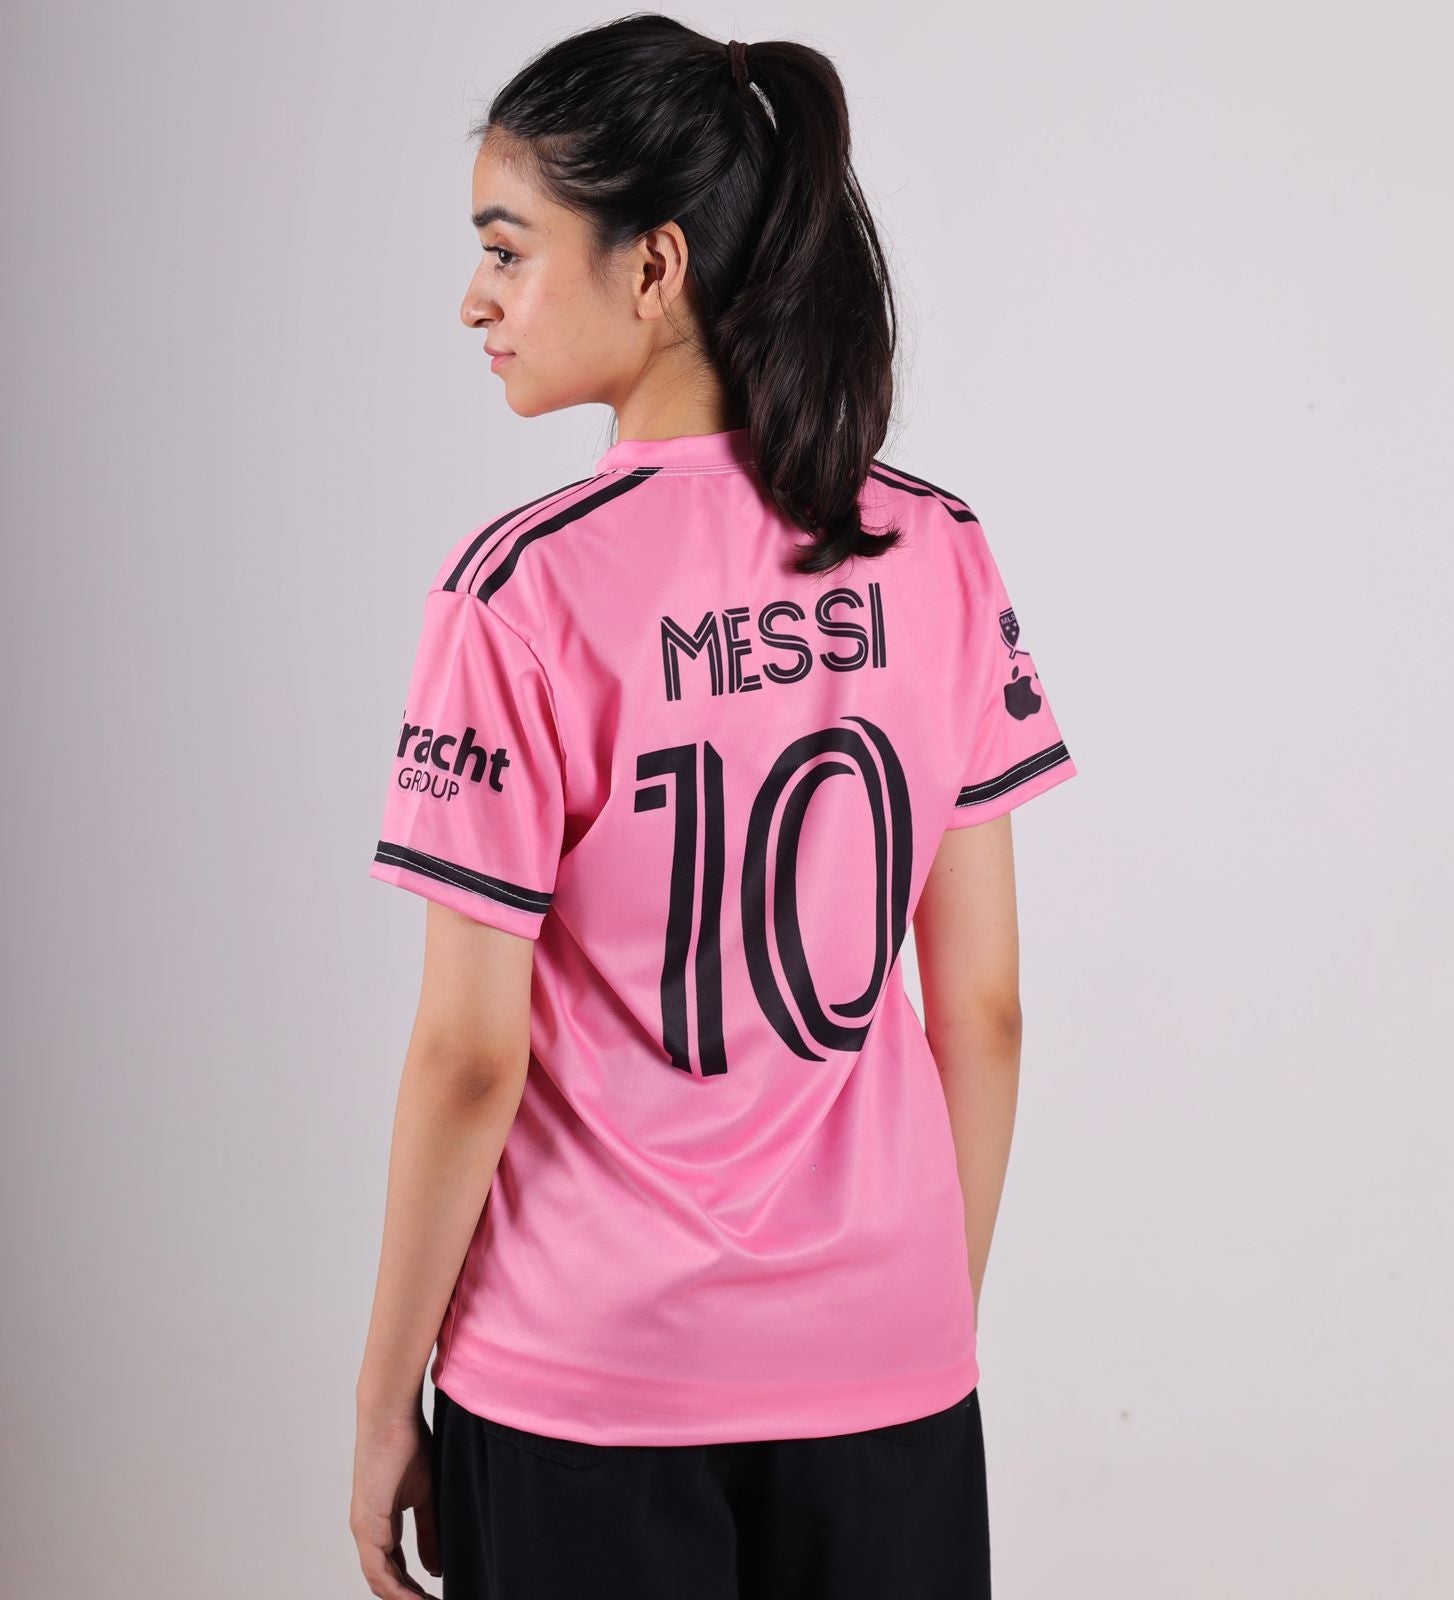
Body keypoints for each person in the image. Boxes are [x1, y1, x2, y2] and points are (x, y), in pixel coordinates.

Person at [349, 15, 1077, 1599]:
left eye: (507, 249)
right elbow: (984, 1009)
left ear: (654, 266)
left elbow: (469, 1055)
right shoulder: (938, 551)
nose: (474, 298)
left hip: (583, 1384)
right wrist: (905, 1318)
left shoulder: (518, 592)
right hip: (887, 1369)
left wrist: (381, 1399)